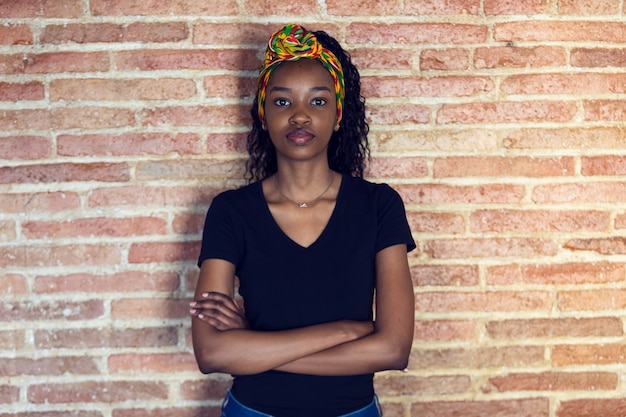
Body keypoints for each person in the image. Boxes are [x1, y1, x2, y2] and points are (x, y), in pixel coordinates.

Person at [189, 23, 416, 417]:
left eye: (317, 101)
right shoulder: (231, 212)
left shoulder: (379, 206)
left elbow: (394, 349)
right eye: (281, 102)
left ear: (339, 113)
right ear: (263, 114)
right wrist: (345, 332)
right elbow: (211, 352)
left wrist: (252, 345)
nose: (299, 117)